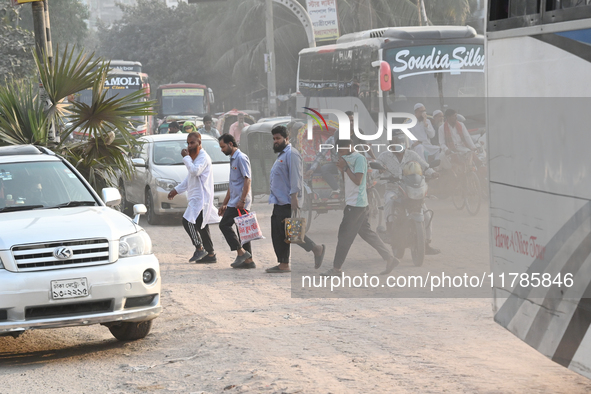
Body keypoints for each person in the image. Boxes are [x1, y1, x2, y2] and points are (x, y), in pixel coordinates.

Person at [320, 138, 399, 277]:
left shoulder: (359, 159)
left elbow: (358, 180)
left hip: (356, 204)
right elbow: (347, 181)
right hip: (354, 202)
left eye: (343, 151)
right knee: (366, 233)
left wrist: (345, 168)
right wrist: (342, 169)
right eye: (339, 153)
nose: (341, 155)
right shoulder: (346, 158)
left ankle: (336, 269)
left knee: (344, 236)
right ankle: (390, 258)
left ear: (350, 147)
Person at [266, 125, 325, 273]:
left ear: (287, 138)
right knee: (285, 232)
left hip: (287, 201)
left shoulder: (292, 154)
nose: (275, 141)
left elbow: (296, 178)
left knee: (288, 232)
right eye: (274, 139)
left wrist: (294, 198)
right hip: (279, 200)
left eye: (278, 138)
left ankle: (286, 263)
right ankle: (313, 250)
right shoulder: (282, 155)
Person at [377, 132, 440, 256]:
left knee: (426, 216)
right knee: (389, 202)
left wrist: (433, 173)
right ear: (391, 145)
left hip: (411, 190)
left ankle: (426, 243)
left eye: (402, 145)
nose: (400, 149)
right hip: (393, 189)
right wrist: (379, 170)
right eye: (397, 145)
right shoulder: (384, 156)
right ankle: (389, 231)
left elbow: (425, 167)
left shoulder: (412, 154)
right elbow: (374, 171)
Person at [168, 132, 219, 264]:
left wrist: (186, 158)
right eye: (188, 143)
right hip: (196, 197)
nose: (190, 146)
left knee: (187, 221)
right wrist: (176, 190)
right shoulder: (195, 158)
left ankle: (199, 248)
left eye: (193, 143)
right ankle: (211, 254)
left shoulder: (203, 157)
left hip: (200, 198)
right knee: (202, 226)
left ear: (199, 143)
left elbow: (195, 171)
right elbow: (189, 178)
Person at [217, 134, 256, 269]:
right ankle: (248, 261)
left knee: (224, 225)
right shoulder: (233, 159)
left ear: (231, 144)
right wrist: (224, 203)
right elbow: (232, 184)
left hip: (240, 201)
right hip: (234, 200)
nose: (221, 150)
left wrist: (242, 200)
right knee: (242, 230)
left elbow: (247, 179)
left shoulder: (241, 158)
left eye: (223, 146)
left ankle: (241, 252)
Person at [304, 126, 340, 195]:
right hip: (336, 164)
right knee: (324, 168)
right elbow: (321, 154)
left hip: (348, 163)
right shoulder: (331, 140)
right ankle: (336, 188)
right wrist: (312, 168)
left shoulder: (349, 139)